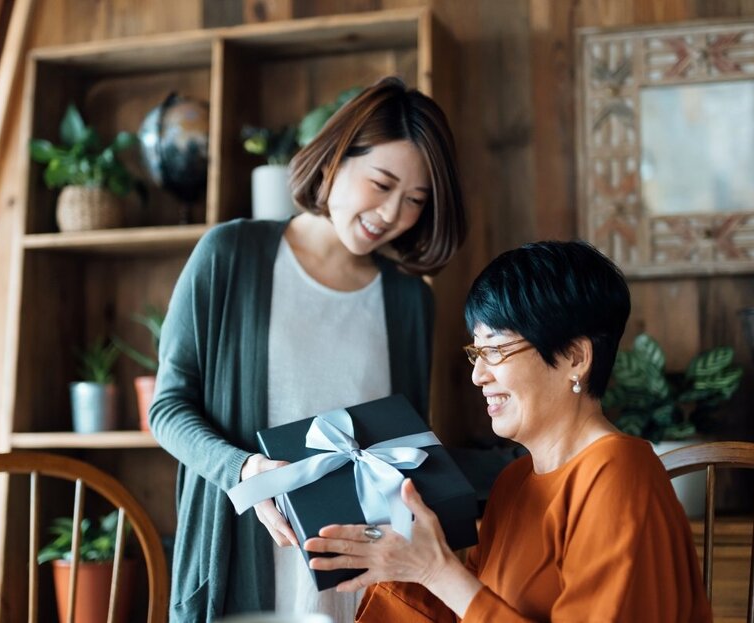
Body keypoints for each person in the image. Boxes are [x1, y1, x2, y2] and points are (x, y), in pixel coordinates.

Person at [149, 76, 466, 622]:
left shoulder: (410, 301)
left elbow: (406, 449)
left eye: (415, 200)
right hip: (240, 569)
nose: (392, 214)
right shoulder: (231, 256)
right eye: (381, 183)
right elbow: (167, 407)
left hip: (362, 586)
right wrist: (243, 471)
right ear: (335, 159)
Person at [303, 241, 713, 622]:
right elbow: (468, 610)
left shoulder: (618, 474)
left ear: (575, 356)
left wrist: (437, 570)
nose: (479, 375)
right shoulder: (513, 483)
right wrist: (400, 556)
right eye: (476, 353)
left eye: (496, 350)